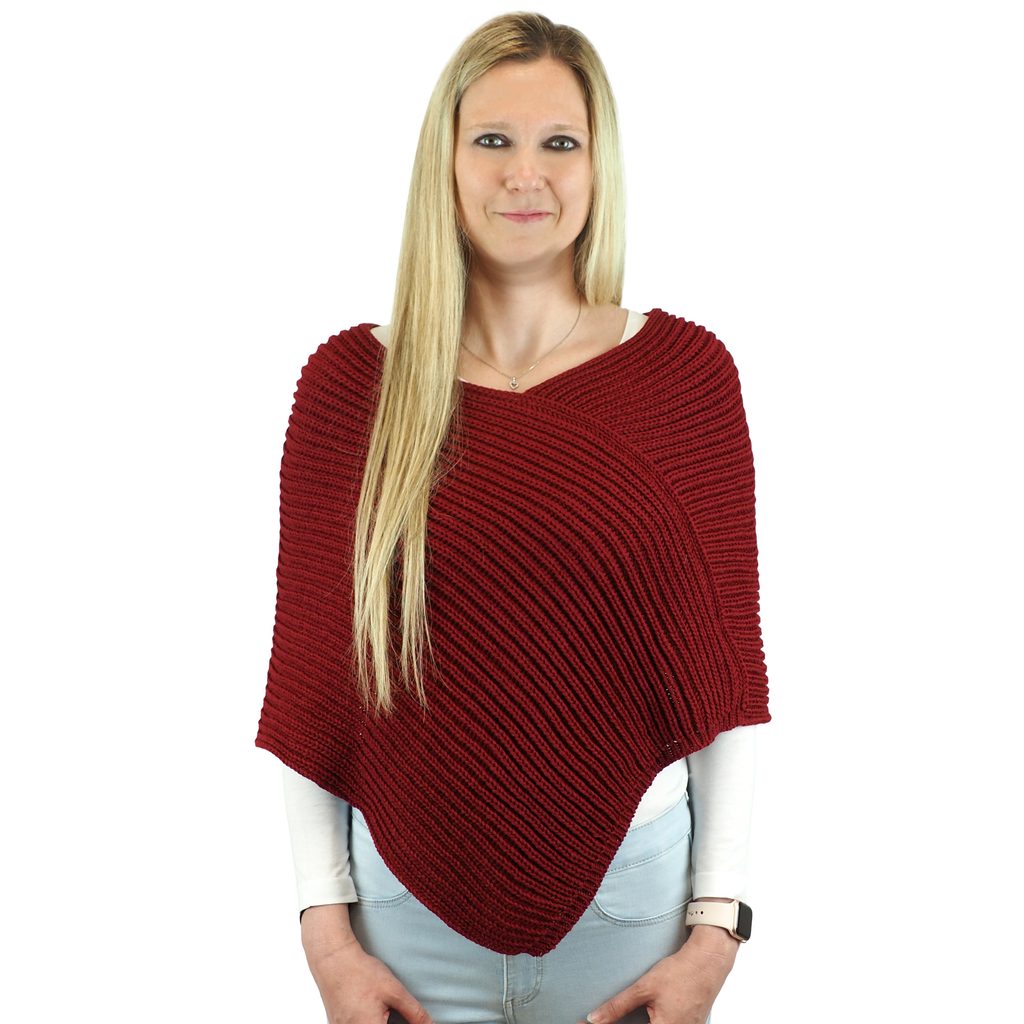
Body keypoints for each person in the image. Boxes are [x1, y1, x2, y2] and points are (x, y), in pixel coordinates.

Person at [255, 11, 771, 1024]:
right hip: (401, 922)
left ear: (599, 165)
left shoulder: (684, 379)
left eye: (559, 142)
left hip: (634, 913)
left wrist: (717, 933)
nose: (523, 175)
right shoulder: (351, 387)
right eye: (492, 139)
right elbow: (311, 682)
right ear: (444, 162)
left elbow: (728, 681)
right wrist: (326, 938)